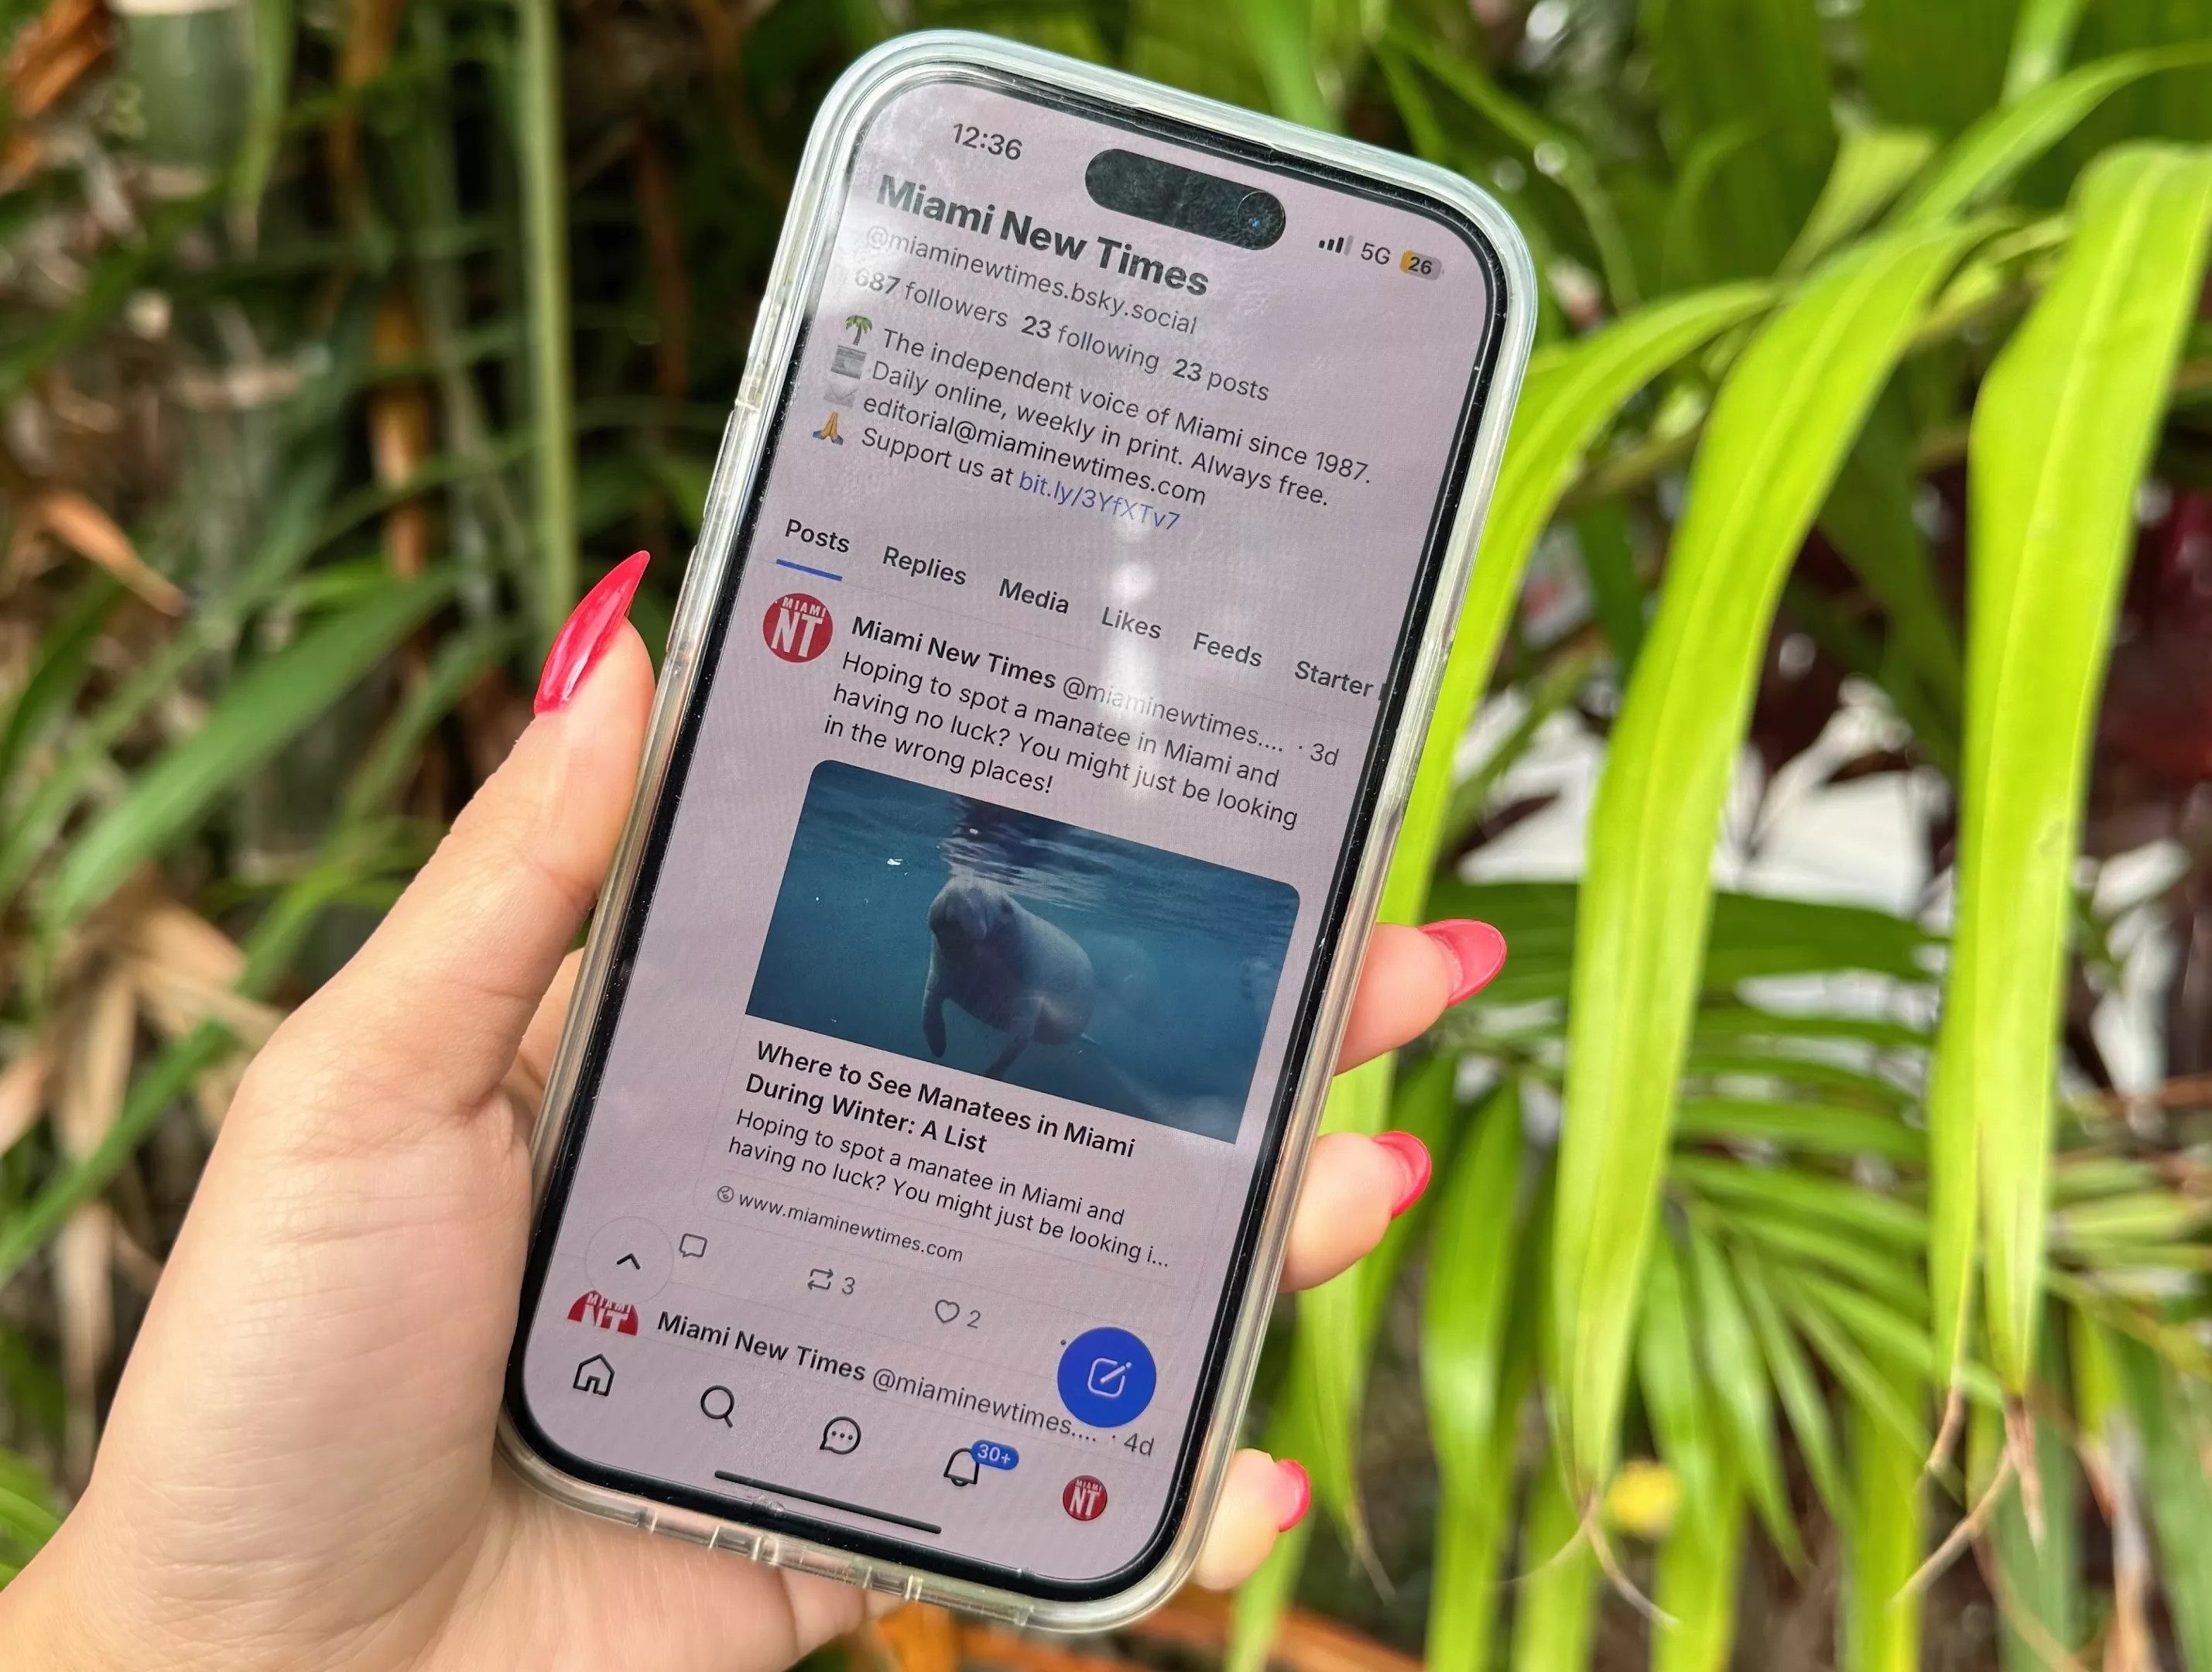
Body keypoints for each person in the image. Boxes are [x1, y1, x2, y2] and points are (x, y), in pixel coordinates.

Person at [0, 560, 1508, 1671]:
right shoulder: (955, 923)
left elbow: (1026, 1017)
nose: (955, 894)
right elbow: (944, 1001)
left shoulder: (1014, 939)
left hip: (1068, 1006)